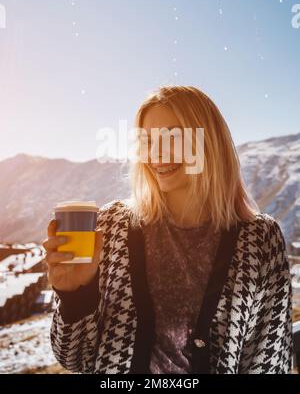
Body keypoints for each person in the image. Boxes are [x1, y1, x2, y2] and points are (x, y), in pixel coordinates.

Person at [44, 85, 293, 374]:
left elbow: (268, 363)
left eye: (173, 137)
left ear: (208, 143)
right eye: (147, 140)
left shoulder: (261, 239)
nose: (156, 153)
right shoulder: (110, 225)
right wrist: (74, 295)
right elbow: (75, 359)